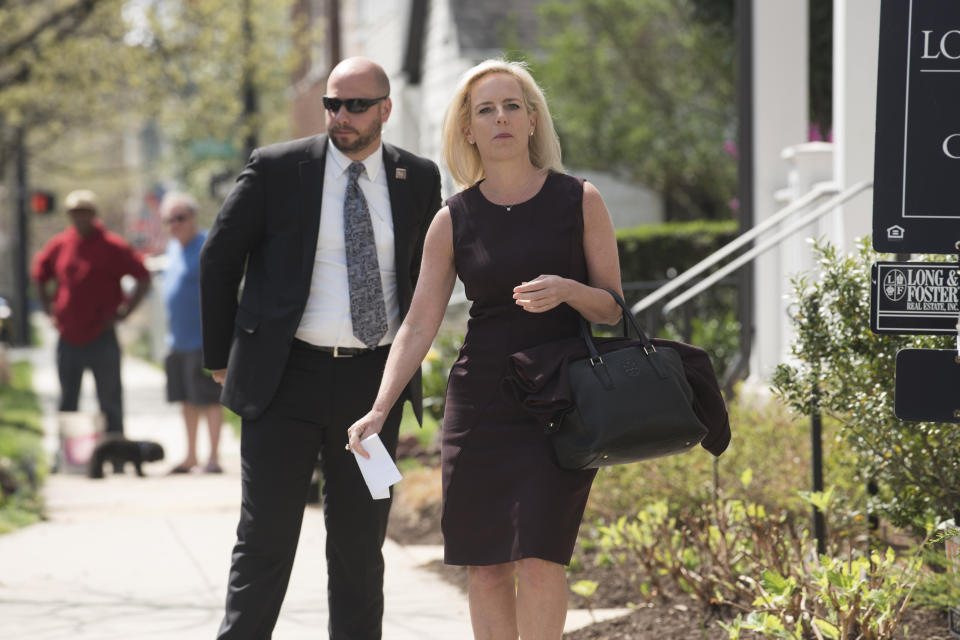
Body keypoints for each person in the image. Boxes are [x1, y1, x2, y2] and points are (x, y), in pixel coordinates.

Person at [347, 59, 623, 639]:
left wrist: (571, 291)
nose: (500, 118)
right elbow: (418, 326)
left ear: (531, 121)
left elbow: (616, 311)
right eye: (485, 110)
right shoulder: (452, 219)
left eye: (512, 106)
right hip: (480, 406)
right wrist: (379, 408)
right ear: (468, 130)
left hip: (560, 401)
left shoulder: (580, 200)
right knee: (488, 565)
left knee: (542, 556)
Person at [200, 56, 441, 639]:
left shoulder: (419, 177)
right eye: (333, 103)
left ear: (386, 109)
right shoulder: (279, 168)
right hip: (284, 381)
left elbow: (428, 276)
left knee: (361, 549)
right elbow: (220, 257)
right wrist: (218, 356)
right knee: (265, 541)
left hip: (372, 392)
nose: (342, 116)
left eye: (356, 105)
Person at [32, 189, 151, 438]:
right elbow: (40, 274)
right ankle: (69, 456)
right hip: (69, 336)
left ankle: (116, 453)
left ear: (93, 214)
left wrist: (125, 312)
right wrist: (48, 310)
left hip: (102, 334)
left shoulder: (112, 245)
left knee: (110, 399)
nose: (80, 218)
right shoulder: (61, 245)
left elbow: (142, 276)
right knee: (68, 400)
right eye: (75, 213)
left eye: (85, 212)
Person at [159, 192, 224, 474]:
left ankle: (213, 458)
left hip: (203, 340)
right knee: (185, 400)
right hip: (177, 339)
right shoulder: (172, 249)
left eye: (180, 218)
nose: (175, 224)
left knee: (209, 400)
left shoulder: (208, 245)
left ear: (193, 218)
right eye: (169, 220)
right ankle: (190, 456)